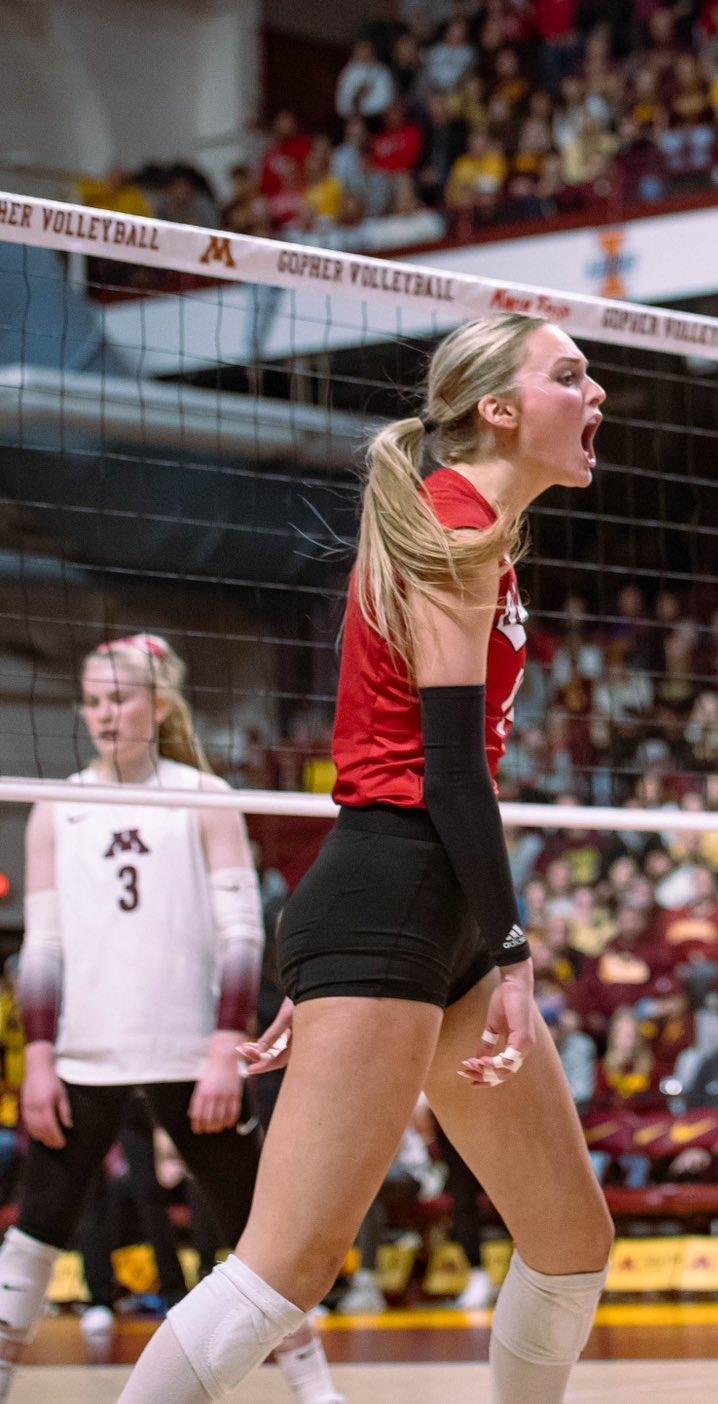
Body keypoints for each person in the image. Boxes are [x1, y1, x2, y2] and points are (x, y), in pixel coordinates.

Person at [117, 313, 616, 1403]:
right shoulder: (448, 522)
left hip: (417, 908)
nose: (598, 397)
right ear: (499, 408)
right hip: (395, 886)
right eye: (571, 376)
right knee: (287, 1265)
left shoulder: (481, 529)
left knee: (573, 1240)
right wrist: (509, 949)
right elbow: (445, 773)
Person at [2, 636, 343, 1404]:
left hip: (195, 1056)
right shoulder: (59, 806)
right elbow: (43, 947)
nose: (102, 714)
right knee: (35, 1232)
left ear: (158, 705)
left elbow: (242, 935)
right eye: (91, 701)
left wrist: (226, 1046)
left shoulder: (204, 795)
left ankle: (316, 1389)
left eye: (118, 698)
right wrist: (42, 1058)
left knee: (263, 1231)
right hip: (87, 1055)